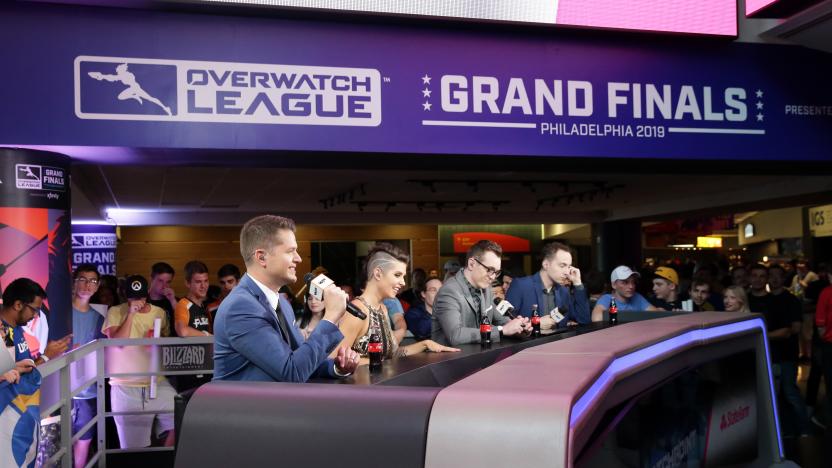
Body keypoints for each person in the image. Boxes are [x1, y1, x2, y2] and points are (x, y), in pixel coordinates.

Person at [213, 215, 360, 382]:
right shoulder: (240, 307)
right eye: (291, 251)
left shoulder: (282, 304)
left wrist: (336, 367)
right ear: (261, 257)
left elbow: (299, 360)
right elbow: (292, 372)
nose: (298, 258)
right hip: (245, 407)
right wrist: (331, 316)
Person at [334, 243, 459, 363]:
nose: (403, 282)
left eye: (403, 276)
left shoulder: (382, 308)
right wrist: (374, 362)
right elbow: (334, 359)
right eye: (397, 275)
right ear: (378, 273)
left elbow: (391, 355)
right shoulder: (357, 311)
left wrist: (426, 344)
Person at [102, 275, 176, 448]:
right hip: (126, 387)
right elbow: (116, 343)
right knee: (133, 448)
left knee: (182, 418)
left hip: (156, 383)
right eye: (133, 297)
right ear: (125, 296)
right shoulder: (115, 311)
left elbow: (166, 341)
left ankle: (164, 458)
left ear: (147, 293)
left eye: (141, 296)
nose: (138, 301)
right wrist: (130, 314)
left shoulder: (158, 312)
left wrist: (156, 342)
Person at [433, 240, 531, 346]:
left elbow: (502, 320)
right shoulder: (449, 291)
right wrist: (502, 330)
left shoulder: (486, 289)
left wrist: (518, 327)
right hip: (450, 360)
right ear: (471, 264)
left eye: (496, 272)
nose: (493, 277)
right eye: (489, 270)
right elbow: (455, 335)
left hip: (478, 357)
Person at [506, 242, 590, 330]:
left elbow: (584, 320)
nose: (566, 272)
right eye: (562, 265)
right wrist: (534, 323)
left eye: (569, 266)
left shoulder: (563, 291)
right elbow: (506, 322)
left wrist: (578, 283)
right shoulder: (521, 285)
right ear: (546, 264)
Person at [70, 264, 106, 467]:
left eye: (92, 281)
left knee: (84, 442)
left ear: (98, 285)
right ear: (74, 282)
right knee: (55, 443)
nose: (87, 285)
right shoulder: (59, 313)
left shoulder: (99, 318)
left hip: (88, 390)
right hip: (60, 390)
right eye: (82, 279)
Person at [592, 266, 659, 321]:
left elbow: (657, 315)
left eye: (633, 282)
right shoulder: (607, 299)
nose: (631, 286)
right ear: (614, 285)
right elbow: (596, 319)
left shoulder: (637, 297)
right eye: (625, 282)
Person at [175, 261, 212, 337]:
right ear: (187, 283)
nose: (203, 286)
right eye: (198, 282)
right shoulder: (183, 304)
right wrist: (208, 336)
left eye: (206, 281)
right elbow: (183, 331)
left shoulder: (205, 306)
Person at [148, 262, 178, 336]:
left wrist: (173, 301)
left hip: (171, 344)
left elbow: (185, 322)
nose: (164, 286)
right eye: (160, 281)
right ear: (151, 279)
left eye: (168, 282)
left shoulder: (174, 301)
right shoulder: (142, 300)